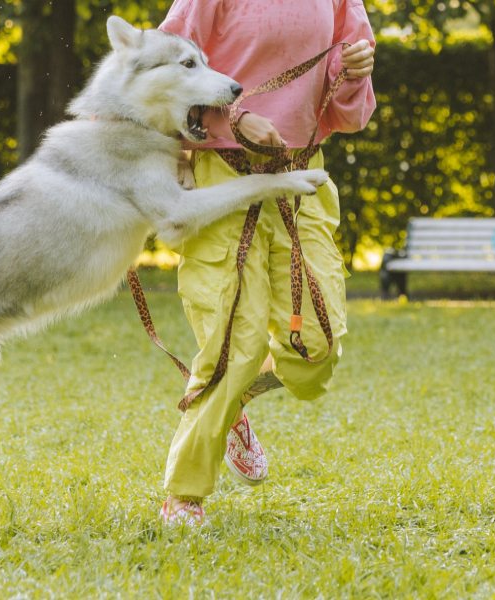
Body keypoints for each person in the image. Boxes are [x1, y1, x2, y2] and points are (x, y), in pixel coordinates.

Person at [156, 0, 376, 524]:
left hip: (302, 180)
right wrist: (232, 116)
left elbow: (349, 112)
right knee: (234, 345)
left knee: (317, 349)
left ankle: (234, 404)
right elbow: (158, 72)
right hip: (222, 180)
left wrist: (351, 73)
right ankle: (184, 496)